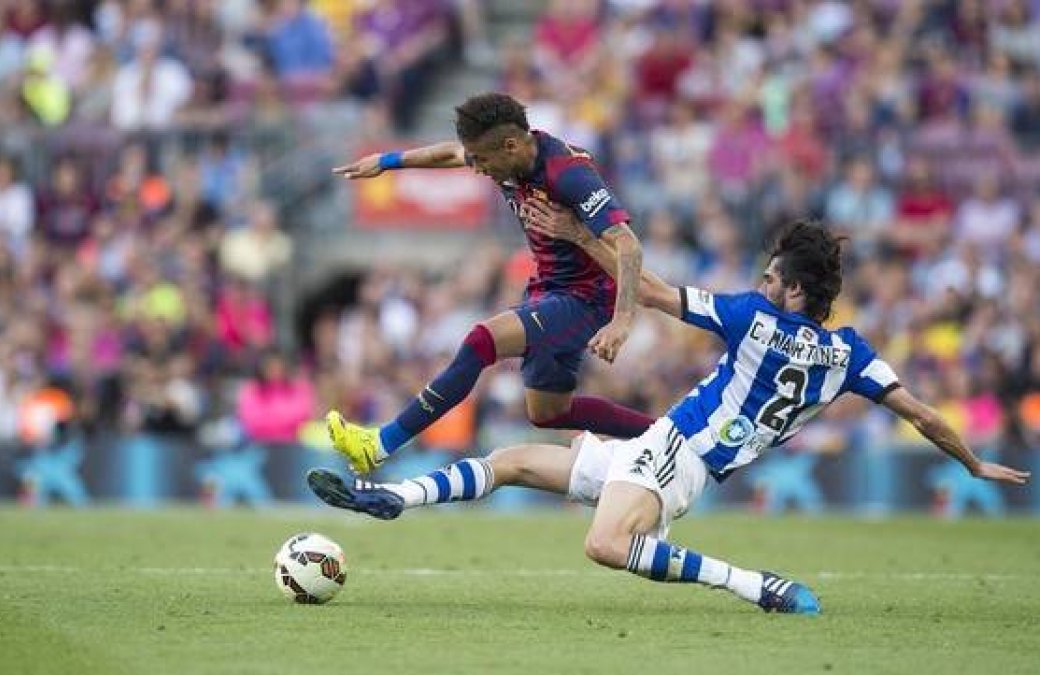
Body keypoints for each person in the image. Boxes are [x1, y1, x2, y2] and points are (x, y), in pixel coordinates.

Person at [307, 219, 1030, 615]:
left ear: (795, 289)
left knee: (602, 544)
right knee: (513, 461)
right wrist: (971, 461)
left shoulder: (752, 317)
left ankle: (754, 584)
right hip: (664, 447)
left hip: (679, 454)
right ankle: (389, 497)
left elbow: (650, 290)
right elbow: (921, 413)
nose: (761, 281)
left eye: (772, 276)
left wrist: (585, 234)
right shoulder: (851, 355)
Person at [326, 91, 653, 474]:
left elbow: (628, 245)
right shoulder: (506, 156)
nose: (478, 169)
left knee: (482, 341)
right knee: (548, 412)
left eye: (481, 160)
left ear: (511, 146)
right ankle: (677, 437)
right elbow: (450, 153)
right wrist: (386, 161)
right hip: (549, 290)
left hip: (588, 297)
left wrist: (623, 320)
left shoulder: (569, 174)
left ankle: (378, 444)